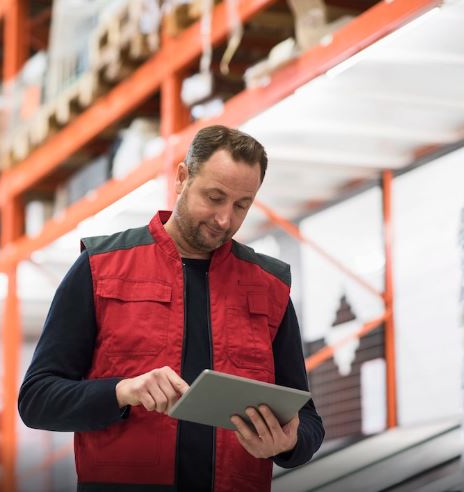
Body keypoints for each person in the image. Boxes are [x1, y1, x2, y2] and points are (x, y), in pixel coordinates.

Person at [18, 125, 324, 491]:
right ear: (182, 178)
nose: (225, 219)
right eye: (214, 197)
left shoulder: (269, 287)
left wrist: (288, 443)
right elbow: (37, 399)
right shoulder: (100, 268)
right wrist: (122, 391)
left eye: (241, 205)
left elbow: (307, 422)